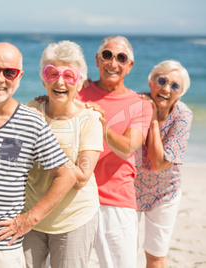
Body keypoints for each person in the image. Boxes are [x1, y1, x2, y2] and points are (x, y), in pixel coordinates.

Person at [0, 42, 77, 268]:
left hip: (0, 249)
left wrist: (28, 221)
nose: (0, 79)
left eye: (9, 72)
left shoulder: (31, 122)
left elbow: (67, 175)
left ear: (19, 76)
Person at [22, 40, 103, 268]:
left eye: (69, 75)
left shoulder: (89, 119)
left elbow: (81, 178)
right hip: (32, 216)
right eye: (52, 73)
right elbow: (13, 160)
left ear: (80, 83)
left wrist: (45, 138)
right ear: (43, 79)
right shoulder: (32, 109)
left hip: (74, 220)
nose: (60, 81)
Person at [76, 36, 153, 268]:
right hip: (74, 195)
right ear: (98, 60)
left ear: (130, 67)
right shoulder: (78, 92)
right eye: (107, 56)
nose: (113, 63)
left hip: (116, 200)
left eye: (121, 58)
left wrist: (102, 124)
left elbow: (128, 147)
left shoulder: (141, 104)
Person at [135, 60, 192, 268]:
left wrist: (152, 121)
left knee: (157, 255)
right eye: (162, 81)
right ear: (151, 82)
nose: (166, 89)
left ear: (181, 92)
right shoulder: (136, 102)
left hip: (164, 193)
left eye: (174, 86)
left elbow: (159, 163)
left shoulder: (183, 115)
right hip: (129, 190)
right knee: (123, 252)